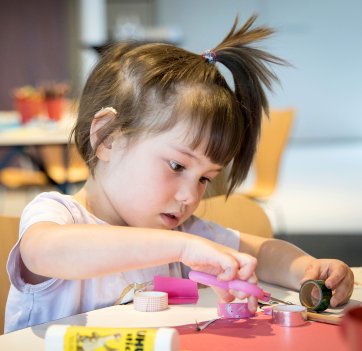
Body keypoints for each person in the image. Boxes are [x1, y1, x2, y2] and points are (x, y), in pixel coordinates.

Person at [5, 15, 353, 333]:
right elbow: (44, 252)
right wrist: (181, 247)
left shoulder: (179, 228)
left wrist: (309, 270)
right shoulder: (58, 216)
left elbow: (263, 253)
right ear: (107, 138)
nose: (191, 196)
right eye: (177, 166)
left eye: (205, 178)